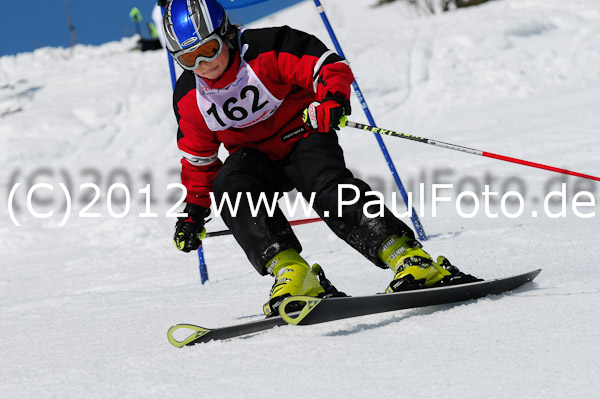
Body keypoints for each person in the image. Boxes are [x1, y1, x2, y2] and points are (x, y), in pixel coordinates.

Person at [164, 0, 478, 316]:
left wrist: (332, 100)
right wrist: (194, 212)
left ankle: (409, 258)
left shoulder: (266, 48)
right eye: (189, 58)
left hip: (303, 134)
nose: (204, 63)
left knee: (326, 186)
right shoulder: (191, 96)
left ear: (227, 34)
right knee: (230, 186)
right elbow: (198, 160)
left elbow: (327, 67)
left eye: (210, 49)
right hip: (255, 158)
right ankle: (293, 273)